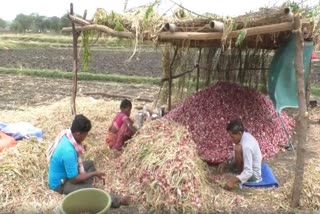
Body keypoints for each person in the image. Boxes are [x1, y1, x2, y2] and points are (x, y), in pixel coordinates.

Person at [48, 114, 129, 208]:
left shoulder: (67, 134)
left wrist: (81, 147)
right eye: (85, 135)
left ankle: (86, 183)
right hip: (61, 184)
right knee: (92, 191)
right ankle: (118, 201)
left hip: (66, 173)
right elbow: (74, 179)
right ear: (78, 133)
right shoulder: (68, 151)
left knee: (89, 164)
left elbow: (75, 149)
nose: (85, 137)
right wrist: (93, 173)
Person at [218, 119, 262, 191]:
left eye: (233, 137)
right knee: (237, 148)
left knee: (223, 178)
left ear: (239, 133)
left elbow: (249, 172)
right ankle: (238, 172)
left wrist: (233, 181)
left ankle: (239, 173)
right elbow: (235, 154)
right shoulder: (244, 136)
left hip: (253, 175)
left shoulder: (247, 147)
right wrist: (226, 162)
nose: (231, 139)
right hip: (248, 166)